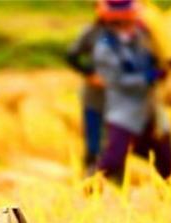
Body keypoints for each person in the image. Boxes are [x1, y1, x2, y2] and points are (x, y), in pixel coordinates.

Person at [93, 5, 171, 183]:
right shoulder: (105, 46)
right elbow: (117, 80)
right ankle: (89, 189)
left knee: (166, 161)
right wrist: (148, 77)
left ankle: (169, 199)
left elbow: (158, 57)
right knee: (113, 159)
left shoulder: (144, 37)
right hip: (125, 113)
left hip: (152, 111)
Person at [66, 2, 122, 174]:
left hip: (121, 99)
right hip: (94, 98)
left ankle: (118, 179)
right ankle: (89, 178)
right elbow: (72, 56)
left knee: (118, 142)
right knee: (93, 143)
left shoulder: (128, 33)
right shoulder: (91, 33)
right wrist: (90, 75)